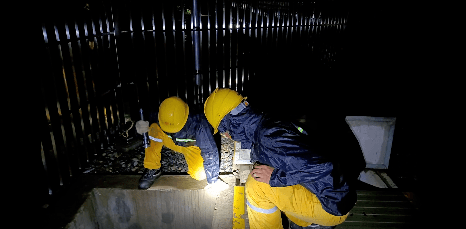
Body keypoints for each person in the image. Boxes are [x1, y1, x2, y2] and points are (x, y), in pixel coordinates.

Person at [203, 88, 364, 229]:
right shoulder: (265, 123)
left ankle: (312, 221)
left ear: (230, 123)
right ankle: (306, 221)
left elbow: (324, 166)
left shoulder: (268, 137)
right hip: (333, 194)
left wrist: (275, 177)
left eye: (224, 131)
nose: (227, 136)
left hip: (332, 205)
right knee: (263, 175)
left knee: (257, 186)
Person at [136, 96, 228, 191]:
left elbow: (209, 152)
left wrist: (213, 181)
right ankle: (153, 168)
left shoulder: (199, 124)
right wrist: (139, 130)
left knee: (200, 174)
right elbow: (143, 130)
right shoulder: (160, 115)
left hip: (192, 147)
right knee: (153, 128)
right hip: (174, 141)